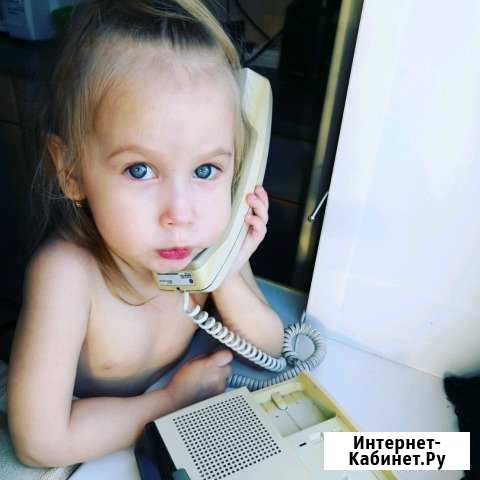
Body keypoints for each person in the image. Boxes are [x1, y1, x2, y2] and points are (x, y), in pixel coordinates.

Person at [7, 0, 284, 469]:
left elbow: (268, 352)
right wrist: (170, 401)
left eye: (206, 170)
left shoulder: (206, 246)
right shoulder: (67, 274)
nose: (181, 214)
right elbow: (39, 442)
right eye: (140, 170)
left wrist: (226, 273)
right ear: (71, 172)